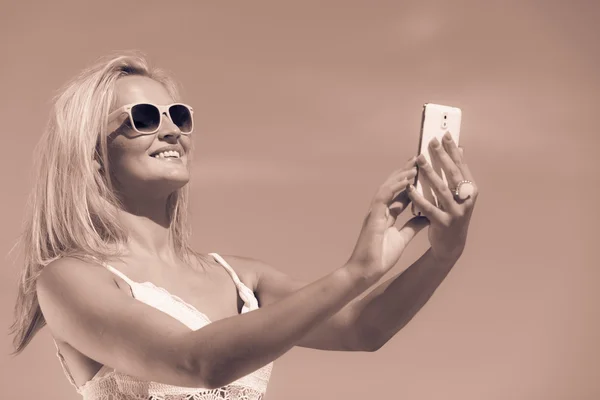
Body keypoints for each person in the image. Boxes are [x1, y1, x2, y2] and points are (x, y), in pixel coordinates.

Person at [9, 53, 478, 400]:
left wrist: (442, 253)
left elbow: (362, 329)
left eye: (179, 116)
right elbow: (197, 362)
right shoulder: (69, 279)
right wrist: (355, 272)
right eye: (144, 119)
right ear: (91, 157)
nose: (172, 131)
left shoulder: (241, 279)